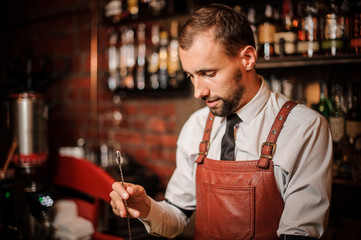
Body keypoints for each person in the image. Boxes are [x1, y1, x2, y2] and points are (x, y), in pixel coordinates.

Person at [110, 3, 333, 240]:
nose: (198, 91)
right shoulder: (196, 126)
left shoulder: (304, 128)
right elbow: (176, 216)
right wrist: (145, 208)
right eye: (191, 76)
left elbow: (300, 235)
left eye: (209, 73)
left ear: (247, 58)